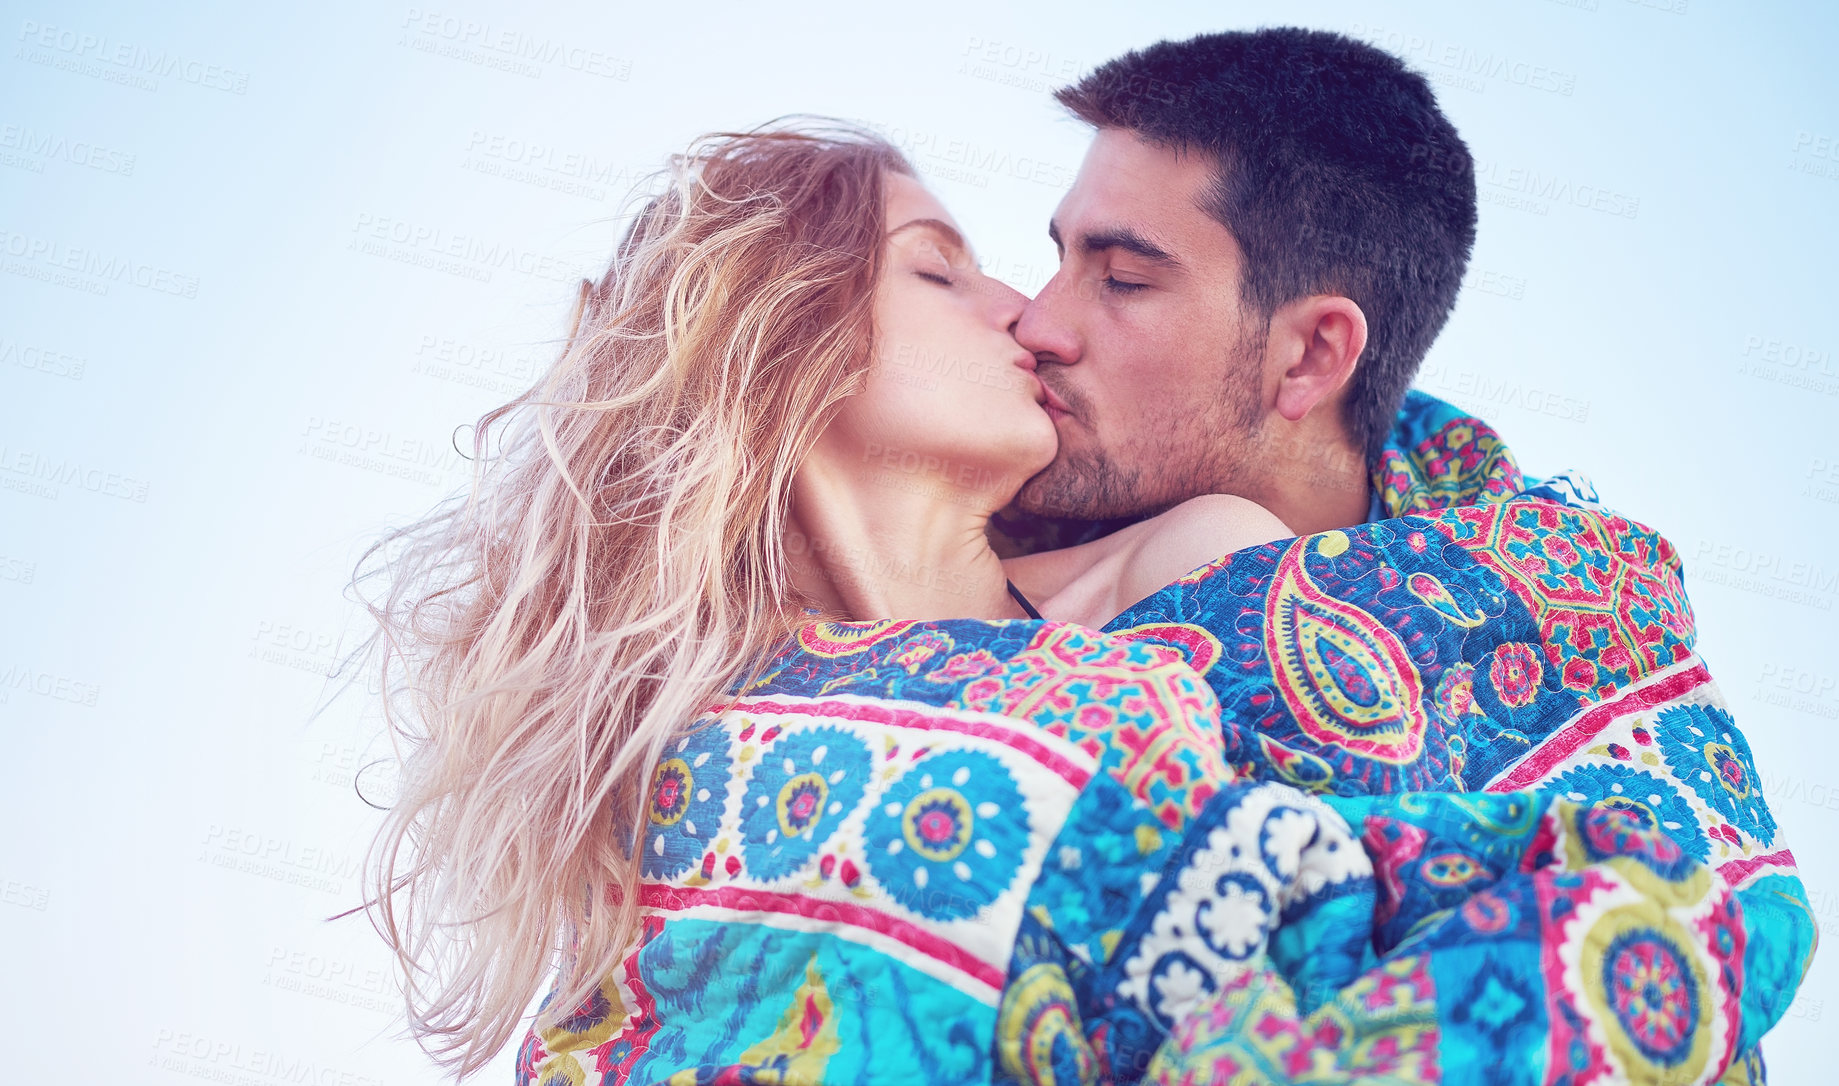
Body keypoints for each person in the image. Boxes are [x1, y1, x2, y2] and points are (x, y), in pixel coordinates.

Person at [343, 120, 1380, 1085]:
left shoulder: (1187, 565)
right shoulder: (666, 755)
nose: (1025, 309)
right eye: (938, 269)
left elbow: (1351, 890)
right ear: (789, 335)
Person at [989, 27, 1814, 1085]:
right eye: (1059, 256)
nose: (1039, 322)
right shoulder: (956, 517)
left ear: (1313, 354)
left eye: (1122, 279)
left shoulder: (1559, 611)